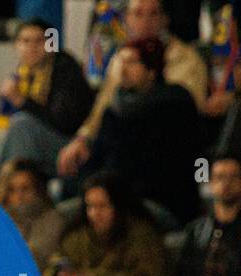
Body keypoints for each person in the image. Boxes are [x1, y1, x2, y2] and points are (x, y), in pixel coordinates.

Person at [57, 0, 206, 181]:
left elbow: (187, 113)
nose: (146, 20)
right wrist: (82, 139)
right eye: (138, 13)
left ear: (165, 19)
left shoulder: (186, 58)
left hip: (164, 150)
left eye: (153, 14)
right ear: (126, 19)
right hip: (118, 147)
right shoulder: (121, 57)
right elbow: (102, 107)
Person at [79, 36, 202, 226]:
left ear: (151, 70)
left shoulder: (175, 104)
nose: (123, 69)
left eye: (132, 62)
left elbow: (173, 168)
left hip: (159, 203)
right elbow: (97, 159)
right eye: (121, 60)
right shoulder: (114, 109)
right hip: (111, 201)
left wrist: (118, 196)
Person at [0, 18, 93, 187]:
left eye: (39, 41)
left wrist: (21, 100)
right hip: (34, 146)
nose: (32, 47)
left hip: (70, 147)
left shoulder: (64, 67)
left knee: (22, 125)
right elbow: (3, 121)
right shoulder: (22, 74)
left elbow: (64, 122)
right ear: (16, 46)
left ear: (50, 44)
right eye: (25, 41)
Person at [0, 158, 65, 267]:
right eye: (12, 190)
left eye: (25, 189)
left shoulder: (52, 219)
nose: (19, 196)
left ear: (38, 189)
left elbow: (33, 260)